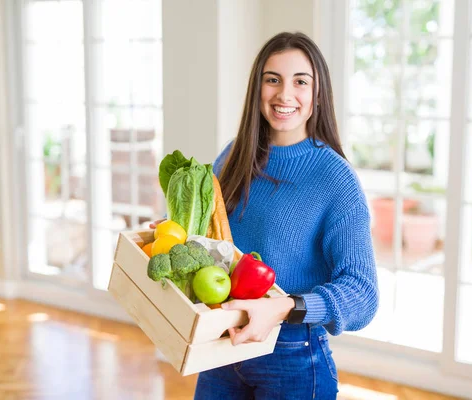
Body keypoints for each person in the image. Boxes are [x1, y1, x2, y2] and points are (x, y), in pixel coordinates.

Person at [155, 31, 379, 399]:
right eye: (272, 79)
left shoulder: (335, 179)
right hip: (222, 347)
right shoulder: (236, 154)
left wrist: (283, 308)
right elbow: (213, 239)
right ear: (256, 88)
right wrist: (172, 232)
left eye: (300, 82)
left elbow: (363, 294)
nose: (284, 94)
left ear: (317, 94)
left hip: (292, 358)